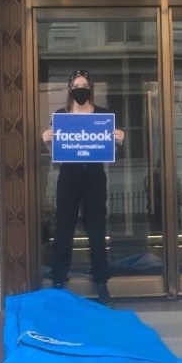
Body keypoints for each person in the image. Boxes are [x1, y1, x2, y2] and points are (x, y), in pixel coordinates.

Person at [42, 69, 124, 305]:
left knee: (97, 229)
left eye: (84, 85)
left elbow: (111, 152)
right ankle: (58, 278)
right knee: (64, 228)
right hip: (69, 176)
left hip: (95, 176)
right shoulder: (61, 115)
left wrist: (118, 139)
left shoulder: (103, 115)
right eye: (76, 85)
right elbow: (57, 156)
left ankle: (101, 281)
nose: (80, 89)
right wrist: (48, 142)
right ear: (70, 89)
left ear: (90, 88)